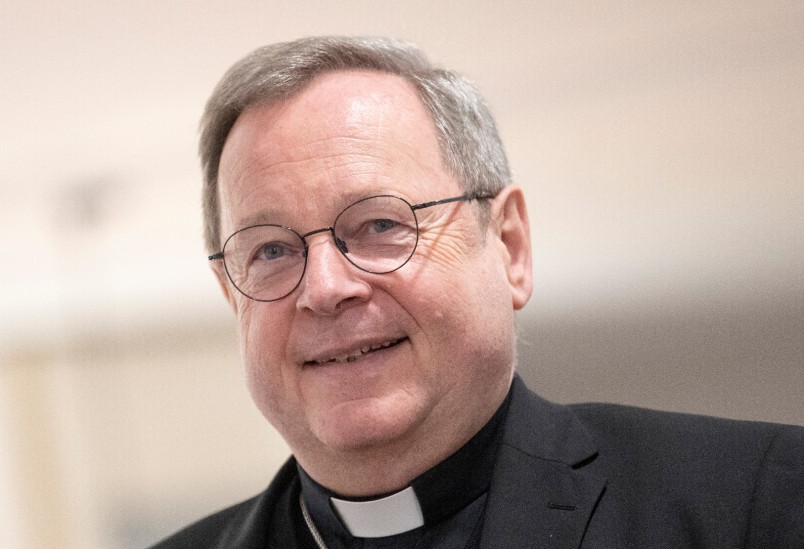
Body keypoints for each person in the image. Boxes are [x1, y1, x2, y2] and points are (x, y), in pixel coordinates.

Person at [152, 36, 804, 549]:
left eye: (379, 224)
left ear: (510, 245)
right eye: (270, 250)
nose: (324, 288)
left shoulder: (760, 499)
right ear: (231, 295)